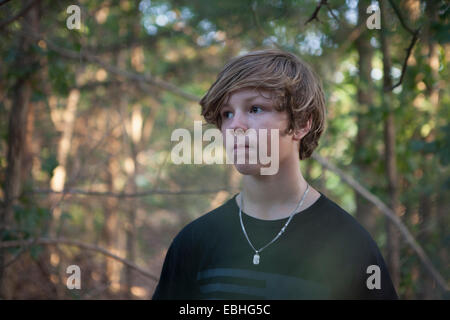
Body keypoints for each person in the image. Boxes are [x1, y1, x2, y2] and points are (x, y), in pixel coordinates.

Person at [152, 49, 398, 300]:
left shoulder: (350, 245)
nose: (235, 125)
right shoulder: (194, 243)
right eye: (227, 113)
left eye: (255, 109)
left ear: (302, 123)